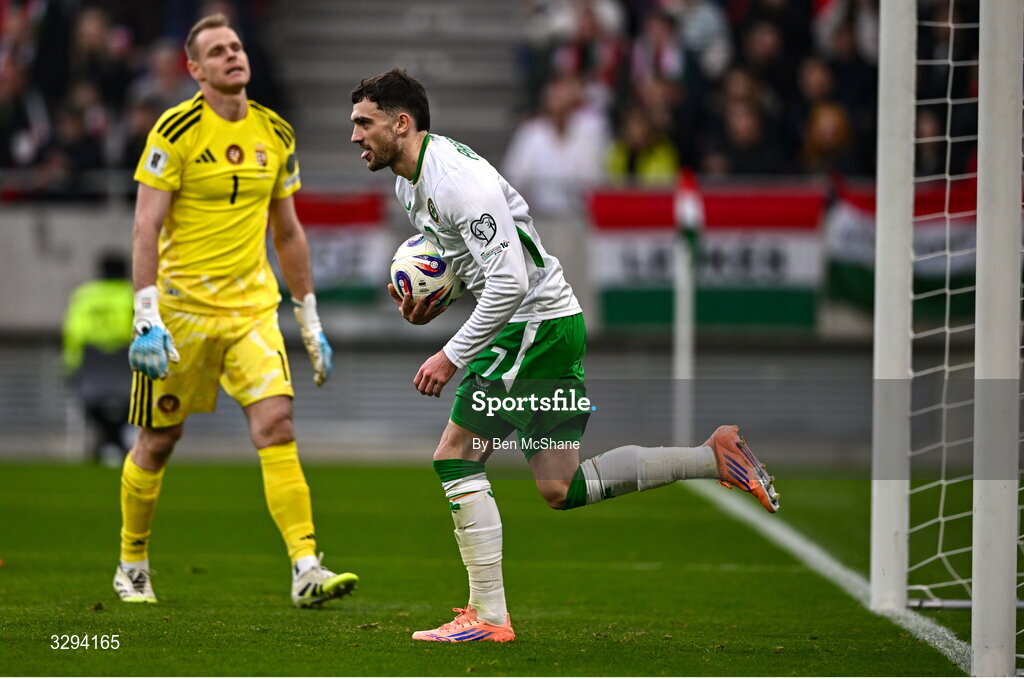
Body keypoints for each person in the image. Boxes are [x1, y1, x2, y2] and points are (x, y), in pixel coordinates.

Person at [349, 68, 780, 643]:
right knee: (562, 487)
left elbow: (509, 283)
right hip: (546, 324)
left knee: (454, 455)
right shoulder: (410, 180)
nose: (354, 135)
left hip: (530, 326)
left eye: (364, 122)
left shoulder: (456, 182)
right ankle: (713, 457)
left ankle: (489, 617)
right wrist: (436, 297)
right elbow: (472, 263)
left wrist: (449, 355)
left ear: (401, 124)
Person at [114, 13, 357, 609]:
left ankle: (306, 566)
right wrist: (146, 317)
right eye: (217, 51)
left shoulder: (275, 132)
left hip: (251, 310)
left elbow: (290, 233)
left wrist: (309, 319)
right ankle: (132, 561)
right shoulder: (174, 131)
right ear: (195, 69)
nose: (232, 55)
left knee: (276, 425)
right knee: (159, 440)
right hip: (181, 314)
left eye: (236, 46)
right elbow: (145, 225)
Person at [62, 252, 134, 466]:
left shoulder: (84, 296)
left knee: (85, 399)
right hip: (128, 374)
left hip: (91, 374)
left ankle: (107, 439)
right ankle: (116, 439)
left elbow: (73, 334)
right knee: (140, 399)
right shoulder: (134, 296)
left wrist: (70, 368)